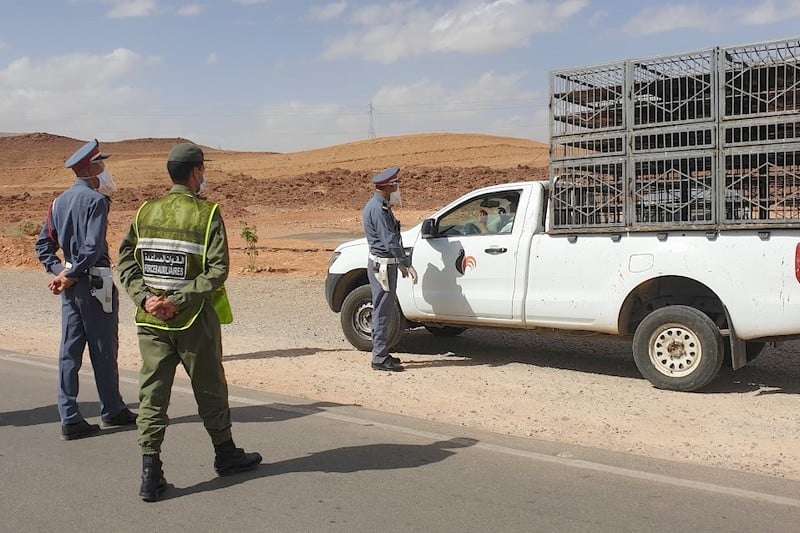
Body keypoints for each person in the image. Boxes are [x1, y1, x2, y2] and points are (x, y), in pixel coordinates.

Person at [117, 142, 261, 502]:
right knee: (210, 387)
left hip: (150, 321)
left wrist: (146, 298)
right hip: (193, 320)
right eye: (203, 171)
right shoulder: (208, 214)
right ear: (196, 173)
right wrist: (178, 300)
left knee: (152, 395)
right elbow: (217, 270)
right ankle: (225, 454)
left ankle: (150, 472)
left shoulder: (144, 211)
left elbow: (125, 262)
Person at [34, 139, 137, 441]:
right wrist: (70, 273)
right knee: (104, 348)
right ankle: (112, 410)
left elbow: (44, 246)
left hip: (72, 288)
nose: (106, 171)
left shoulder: (59, 202)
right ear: (92, 169)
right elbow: (92, 247)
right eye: (102, 165)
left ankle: (69, 416)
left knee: (70, 351)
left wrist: (61, 272)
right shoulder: (96, 201)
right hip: (95, 283)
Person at [363, 167, 417, 372]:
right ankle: (379, 357)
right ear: (387, 187)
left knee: (383, 308)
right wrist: (405, 263)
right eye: (395, 185)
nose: (397, 189)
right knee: (383, 311)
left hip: (385, 264)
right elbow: (390, 241)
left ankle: (382, 351)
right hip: (383, 266)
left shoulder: (380, 206)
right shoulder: (378, 209)